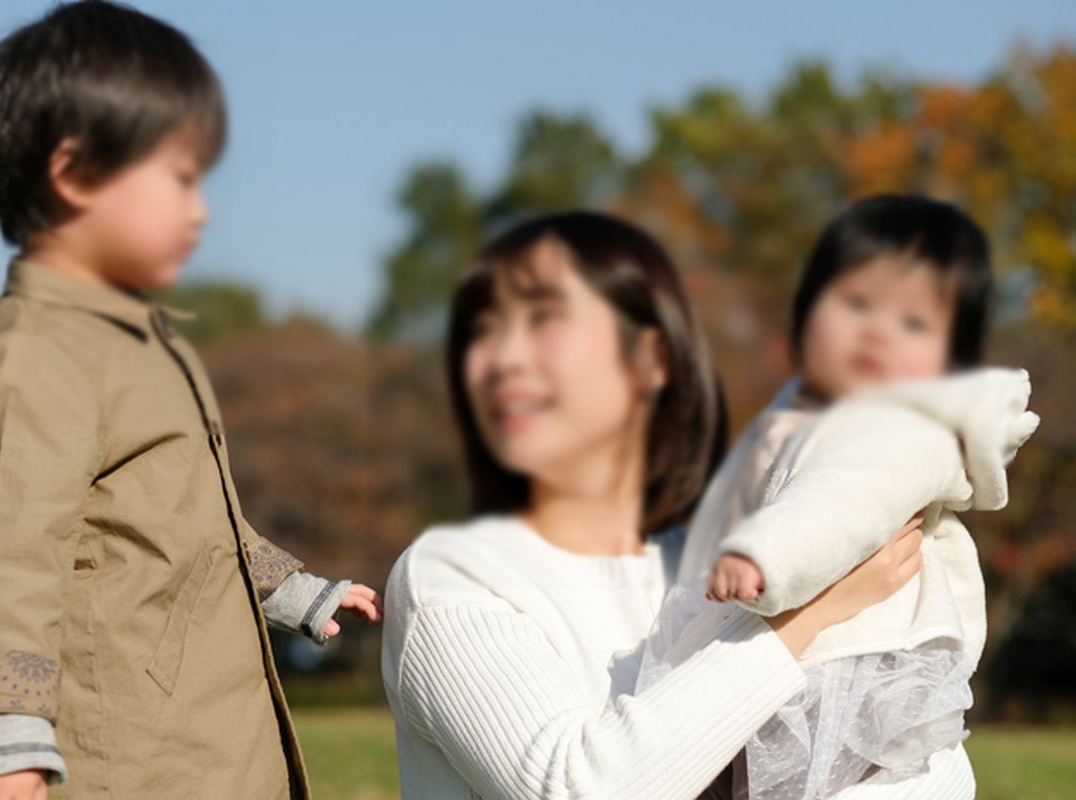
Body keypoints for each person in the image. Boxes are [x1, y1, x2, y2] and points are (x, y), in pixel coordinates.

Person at [0, 3, 380, 798]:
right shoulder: (37, 350)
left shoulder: (144, 343)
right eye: (178, 179)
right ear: (73, 174)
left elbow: (199, 518)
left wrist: (300, 592)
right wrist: (7, 738)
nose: (201, 208)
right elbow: (11, 551)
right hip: (133, 756)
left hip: (215, 736)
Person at [381, 211, 972, 799]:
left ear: (652, 360)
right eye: (481, 330)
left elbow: (932, 772)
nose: (503, 359)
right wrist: (801, 617)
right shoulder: (451, 577)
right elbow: (577, 789)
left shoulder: (711, 563)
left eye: (545, 319)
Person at [641, 194, 1038, 799]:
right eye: (855, 303)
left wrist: (766, 557)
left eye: (914, 323)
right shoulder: (807, 410)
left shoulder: (902, 424)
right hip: (803, 633)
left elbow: (848, 502)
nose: (877, 330)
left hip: (855, 657)